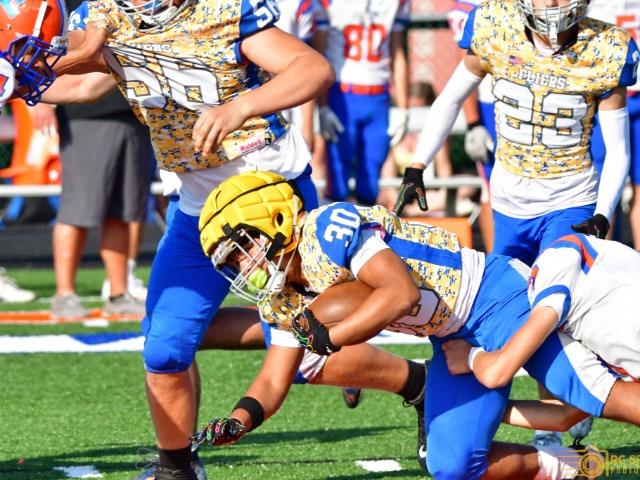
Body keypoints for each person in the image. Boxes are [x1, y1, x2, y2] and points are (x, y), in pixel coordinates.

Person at [42, 1, 335, 478]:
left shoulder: (219, 9)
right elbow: (82, 82)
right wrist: (18, 80)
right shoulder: (107, 15)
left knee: (320, 338)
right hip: (198, 206)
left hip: (269, 194)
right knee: (164, 347)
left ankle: (412, 381)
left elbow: (313, 67)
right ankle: (177, 470)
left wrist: (241, 105)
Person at [196, 170, 640, 480]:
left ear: (274, 220)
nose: (242, 266)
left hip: (493, 297)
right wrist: (238, 422)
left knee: (587, 390)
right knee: (452, 466)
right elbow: (273, 380)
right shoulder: (282, 298)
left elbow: (401, 294)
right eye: (231, 261)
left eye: (241, 249)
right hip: (450, 336)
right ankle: (575, 467)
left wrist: (330, 337)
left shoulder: (325, 231)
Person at [396, 0, 637, 265]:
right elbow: (450, 99)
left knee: (554, 286)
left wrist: (603, 213)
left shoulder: (607, 46)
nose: (551, 3)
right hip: (509, 204)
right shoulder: (495, 24)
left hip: (570, 198)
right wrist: (417, 166)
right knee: (503, 288)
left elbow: (618, 147)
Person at [443, 231, 640, 390]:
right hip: (565, 265)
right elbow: (497, 372)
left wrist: (469, 357)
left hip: (574, 261)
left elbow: (564, 417)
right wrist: (469, 357)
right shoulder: (561, 271)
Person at [314, 0, 410, 206]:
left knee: (371, 179)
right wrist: (322, 106)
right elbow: (318, 54)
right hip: (342, 95)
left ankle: (366, 225)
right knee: (338, 178)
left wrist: (403, 108)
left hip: (379, 96)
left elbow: (397, 52)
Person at [587, 0, 640, 250]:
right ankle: (603, 262)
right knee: (601, 188)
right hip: (607, 93)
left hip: (608, 89)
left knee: (602, 188)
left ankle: (603, 262)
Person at [447, 0, 495, 253]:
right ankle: (500, 260)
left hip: (531, 99)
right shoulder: (470, 7)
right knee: (492, 188)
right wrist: (474, 122)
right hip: (492, 104)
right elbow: (463, 66)